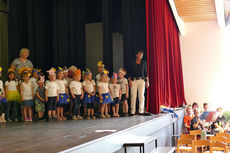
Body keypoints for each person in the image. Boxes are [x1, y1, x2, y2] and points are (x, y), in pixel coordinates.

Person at [129, 50, 149, 115]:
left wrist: (147, 81)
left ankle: (141, 111)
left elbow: (146, 73)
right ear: (136, 55)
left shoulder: (143, 62)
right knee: (133, 96)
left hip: (141, 80)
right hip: (133, 80)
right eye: (140, 54)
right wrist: (129, 81)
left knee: (141, 96)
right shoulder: (132, 62)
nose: (141, 55)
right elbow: (129, 72)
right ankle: (132, 111)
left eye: (142, 54)